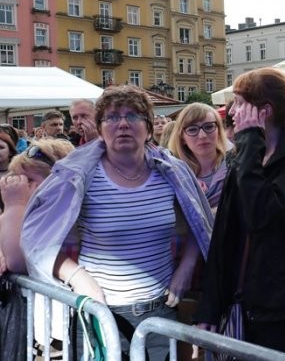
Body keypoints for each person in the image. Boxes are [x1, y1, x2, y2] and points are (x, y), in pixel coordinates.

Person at [20, 85, 214, 361]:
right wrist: (79, 278)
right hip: (98, 314)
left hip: (160, 313)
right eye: (112, 117)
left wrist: (186, 266)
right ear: (100, 129)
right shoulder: (77, 177)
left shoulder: (172, 173)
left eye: (133, 115)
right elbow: (37, 241)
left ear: (149, 128)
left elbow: (198, 222)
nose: (122, 123)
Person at [195, 68, 285, 357]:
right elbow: (224, 235)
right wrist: (209, 308)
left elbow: (261, 214)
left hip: (279, 310)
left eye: (239, 103)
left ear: (265, 110)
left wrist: (250, 139)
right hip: (239, 301)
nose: (231, 112)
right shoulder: (240, 156)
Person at [0, 139, 75, 360]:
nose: (22, 185)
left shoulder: (63, 217)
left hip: (63, 329)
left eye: (30, 179)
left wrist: (15, 205)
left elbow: (17, 261)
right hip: (40, 325)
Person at [168, 102, 228, 213]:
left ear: (219, 131)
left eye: (209, 127)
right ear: (182, 137)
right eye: (192, 129)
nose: (202, 135)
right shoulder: (174, 176)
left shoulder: (236, 167)